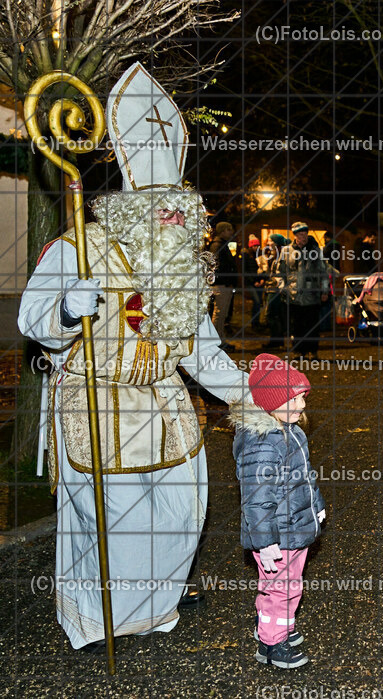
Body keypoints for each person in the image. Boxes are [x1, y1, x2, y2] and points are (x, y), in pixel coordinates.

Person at [17, 62, 249, 650]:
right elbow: (32, 323)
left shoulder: (183, 267)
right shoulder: (82, 246)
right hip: (97, 399)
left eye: (181, 205)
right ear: (131, 208)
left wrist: (251, 395)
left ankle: (155, 607)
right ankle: (98, 620)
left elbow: (200, 349)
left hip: (167, 404)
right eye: (162, 205)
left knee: (179, 512)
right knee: (110, 527)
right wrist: (69, 311)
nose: (175, 215)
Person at [231, 354, 325, 669]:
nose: (302, 406)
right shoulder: (264, 443)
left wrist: (317, 508)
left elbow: (304, 477)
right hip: (278, 535)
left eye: (302, 399)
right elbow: (256, 498)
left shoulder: (288, 430)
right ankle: (272, 643)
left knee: (288, 585)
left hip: (292, 527)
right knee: (280, 588)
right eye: (294, 399)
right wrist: (265, 541)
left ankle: (279, 627)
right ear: (272, 402)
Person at [274, 222, 329, 357]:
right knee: (296, 325)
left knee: (313, 325)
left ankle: (313, 351)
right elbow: (279, 272)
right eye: (300, 234)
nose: (303, 237)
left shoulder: (315, 251)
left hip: (312, 295)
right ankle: (299, 351)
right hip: (293, 296)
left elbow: (324, 272)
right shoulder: (286, 251)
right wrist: (282, 288)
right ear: (295, 235)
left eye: (305, 234)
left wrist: (325, 291)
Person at [208, 221, 239, 349]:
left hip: (222, 284)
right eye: (229, 230)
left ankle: (218, 340)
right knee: (220, 314)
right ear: (223, 231)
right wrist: (226, 280)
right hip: (222, 285)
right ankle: (217, 341)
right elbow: (218, 267)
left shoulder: (219, 244)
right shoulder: (218, 246)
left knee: (220, 314)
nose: (231, 232)